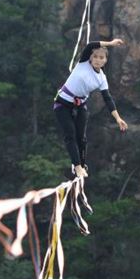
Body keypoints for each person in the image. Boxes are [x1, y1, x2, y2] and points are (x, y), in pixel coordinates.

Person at [54, 39, 128, 178]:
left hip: (79, 105)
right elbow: (90, 45)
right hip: (63, 104)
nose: (98, 60)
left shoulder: (101, 78)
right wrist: (111, 44)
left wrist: (118, 118)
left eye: (101, 58)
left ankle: (81, 164)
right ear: (90, 57)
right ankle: (77, 167)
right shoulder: (83, 63)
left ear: (105, 60)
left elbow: (108, 99)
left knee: (81, 137)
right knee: (70, 135)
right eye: (95, 57)